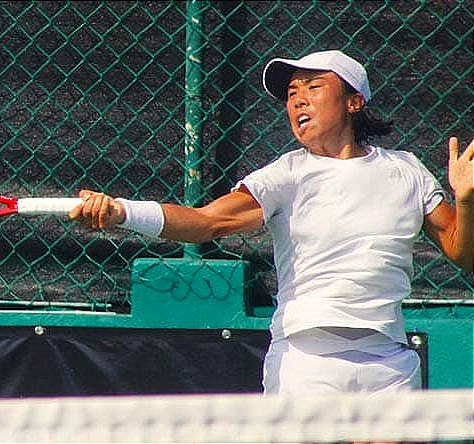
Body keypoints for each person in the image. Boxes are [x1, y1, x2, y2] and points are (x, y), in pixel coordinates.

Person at [69, 49, 474, 394]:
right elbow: (203, 222)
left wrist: (467, 199)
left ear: (354, 102)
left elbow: (462, 250)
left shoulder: (407, 171)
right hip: (306, 365)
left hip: (389, 362)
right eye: (292, 93)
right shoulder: (286, 174)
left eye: (314, 88)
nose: (298, 100)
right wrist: (122, 211)